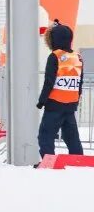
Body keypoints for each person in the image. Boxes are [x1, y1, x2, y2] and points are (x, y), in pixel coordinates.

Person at [37, 20, 84, 159]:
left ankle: (48, 160)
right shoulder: (77, 57)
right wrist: (76, 101)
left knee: (46, 134)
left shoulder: (55, 56)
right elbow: (79, 82)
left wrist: (41, 101)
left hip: (54, 103)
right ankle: (78, 159)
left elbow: (49, 82)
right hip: (71, 104)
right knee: (71, 135)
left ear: (54, 39)